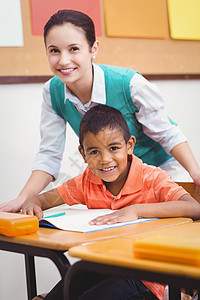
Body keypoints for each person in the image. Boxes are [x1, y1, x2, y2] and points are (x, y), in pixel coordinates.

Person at [1, 9, 200, 214]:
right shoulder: (52, 92)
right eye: (54, 51)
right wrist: (23, 199)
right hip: (111, 178)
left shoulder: (130, 84)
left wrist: (195, 173)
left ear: (93, 48)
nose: (63, 60)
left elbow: (167, 134)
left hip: (159, 174)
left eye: (74, 49)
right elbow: (49, 153)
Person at [22, 105, 200, 300]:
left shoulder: (152, 178)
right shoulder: (86, 181)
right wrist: (33, 200)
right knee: (58, 293)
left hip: (144, 278)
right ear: (83, 154)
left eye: (114, 148)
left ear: (130, 145)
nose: (105, 160)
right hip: (100, 265)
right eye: (94, 152)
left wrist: (136, 210)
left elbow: (194, 208)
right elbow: (43, 199)